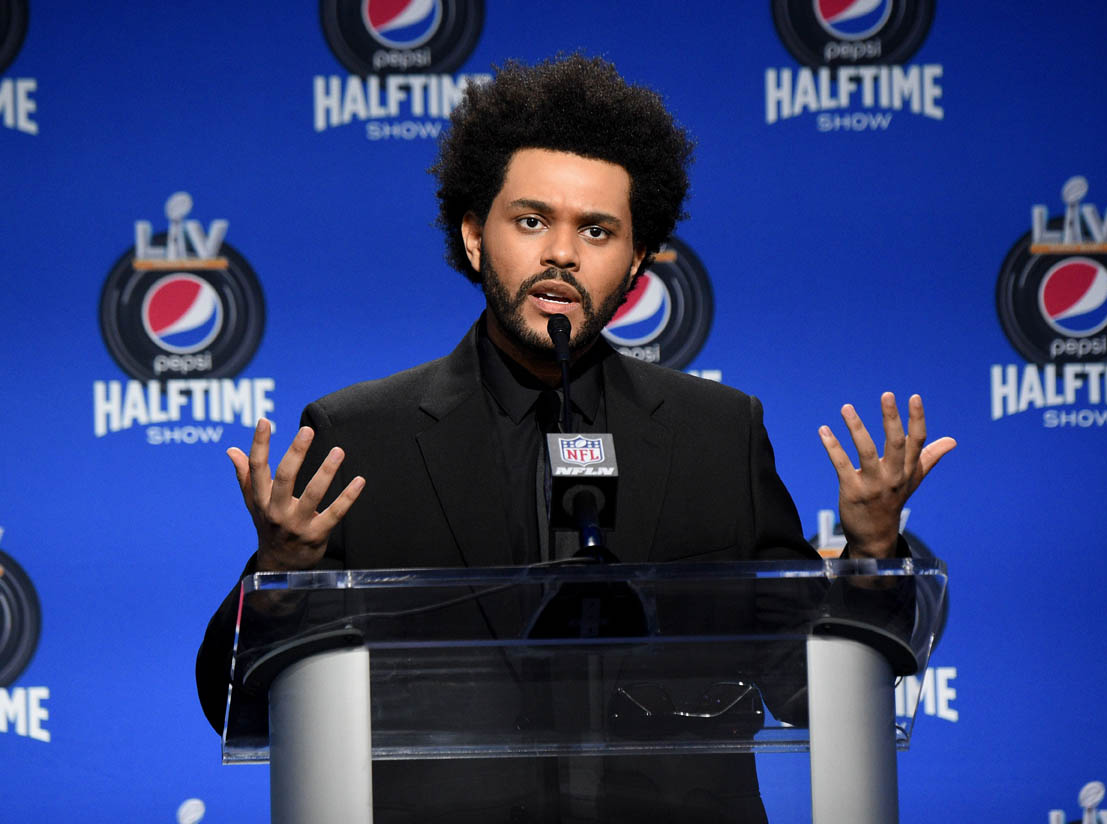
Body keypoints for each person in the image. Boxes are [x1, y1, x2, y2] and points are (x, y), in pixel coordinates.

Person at [196, 54, 954, 823]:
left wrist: (871, 557)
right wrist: (281, 577)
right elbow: (238, 701)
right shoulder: (362, 437)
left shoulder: (717, 435)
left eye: (597, 230)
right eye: (531, 221)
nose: (562, 252)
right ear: (473, 236)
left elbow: (803, 686)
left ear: (637, 262)